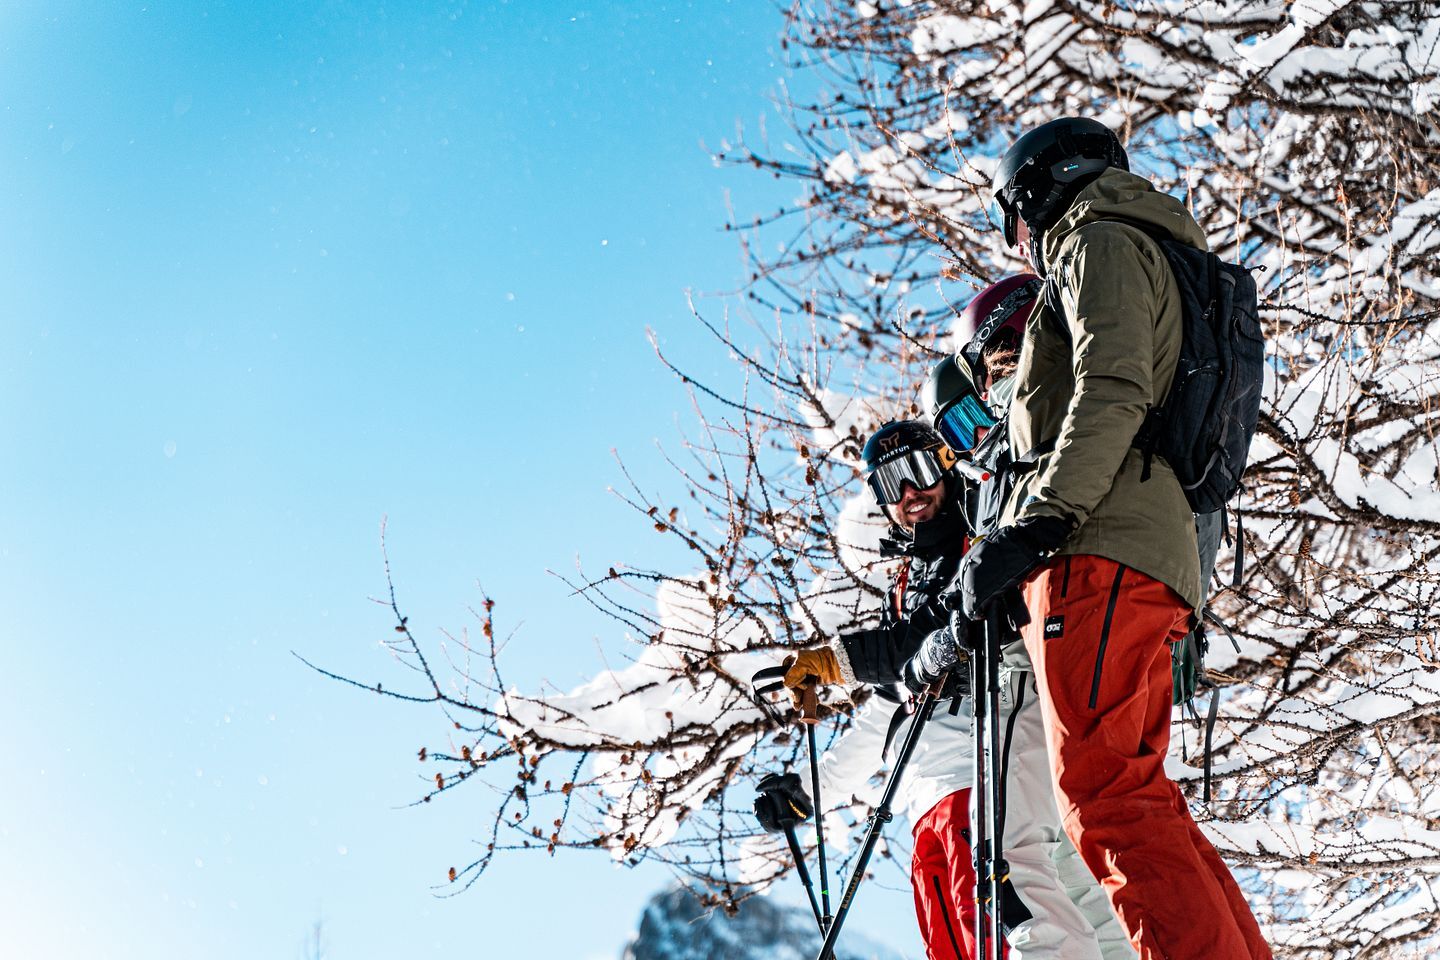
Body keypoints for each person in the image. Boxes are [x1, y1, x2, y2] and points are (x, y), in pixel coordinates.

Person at [956, 117, 1271, 960]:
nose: (1019, 243)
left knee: (1104, 799)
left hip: (1099, 545)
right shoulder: (1140, 244)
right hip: (1135, 543)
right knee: (1134, 795)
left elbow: (1113, 387)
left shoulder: (1098, 242)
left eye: (1012, 219)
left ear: (1037, 191)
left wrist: (1038, 521)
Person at [781, 286, 1132, 960]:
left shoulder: (980, 534)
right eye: (890, 486)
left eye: (918, 471)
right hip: (935, 785)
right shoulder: (911, 582)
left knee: (1018, 910)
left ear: (948, 465)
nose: (911, 495)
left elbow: (936, 633)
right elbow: (894, 704)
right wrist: (812, 795)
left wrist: (839, 660)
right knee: (1046, 909)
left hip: (991, 749)